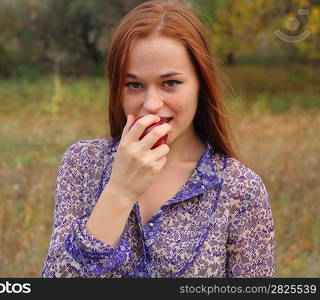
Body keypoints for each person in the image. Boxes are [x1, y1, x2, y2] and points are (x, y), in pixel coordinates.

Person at [41, 0, 275, 278]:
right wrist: (120, 191)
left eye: (170, 83)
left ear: (201, 84)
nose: (151, 104)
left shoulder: (240, 189)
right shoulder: (82, 164)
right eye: (134, 85)